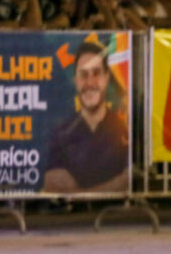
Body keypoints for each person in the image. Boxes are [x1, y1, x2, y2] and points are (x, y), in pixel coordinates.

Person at [44, 39, 129, 194]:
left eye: (96, 73)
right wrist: (117, 184)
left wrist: (79, 193)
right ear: (75, 80)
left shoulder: (124, 128)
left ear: (106, 77)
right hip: (73, 218)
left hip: (116, 216)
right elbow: (54, 185)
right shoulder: (61, 133)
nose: (90, 83)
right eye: (83, 75)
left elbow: (133, 181)